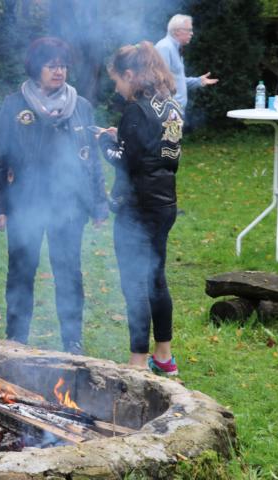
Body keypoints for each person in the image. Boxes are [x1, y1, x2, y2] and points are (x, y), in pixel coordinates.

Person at [0, 37, 108, 354]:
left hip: (69, 205)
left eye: (63, 66)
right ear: (36, 68)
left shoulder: (81, 107)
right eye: (52, 65)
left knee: (68, 273)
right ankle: (16, 338)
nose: (59, 71)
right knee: (21, 271)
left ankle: (72, 341)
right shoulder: (15, 105)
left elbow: (91, 160)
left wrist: (98, 204)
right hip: (25, 203)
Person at [97, 41, 183, 376]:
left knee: (134, 282)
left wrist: (105, 142)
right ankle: (164, 357)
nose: (117, 88)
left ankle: (136, 361)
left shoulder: (136, 109)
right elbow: (153, 149)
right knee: (156, 278)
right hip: (164, 203)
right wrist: (121, 137)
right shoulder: (170, 104)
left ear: (131, 74)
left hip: (137, 208)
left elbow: (125, 162)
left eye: (118, 80)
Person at [155, 14, 218, 113]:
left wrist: (198, 81)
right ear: (177, 31)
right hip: (169, 113)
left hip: (175, 112)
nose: (192, 33)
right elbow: (160, 81)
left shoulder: (175, 48)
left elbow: (176, 80)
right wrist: (168, 112)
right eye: (189, 30)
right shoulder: (164, 47)